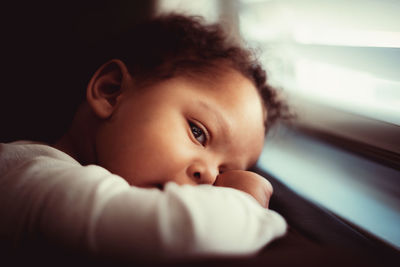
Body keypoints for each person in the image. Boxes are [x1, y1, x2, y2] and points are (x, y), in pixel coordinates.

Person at [0, 14, 288, 262]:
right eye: (198, 133)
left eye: (225, 173)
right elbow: (186, 231)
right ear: (111, 91)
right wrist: (246, 200)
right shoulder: (35, 178)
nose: (209, 176)